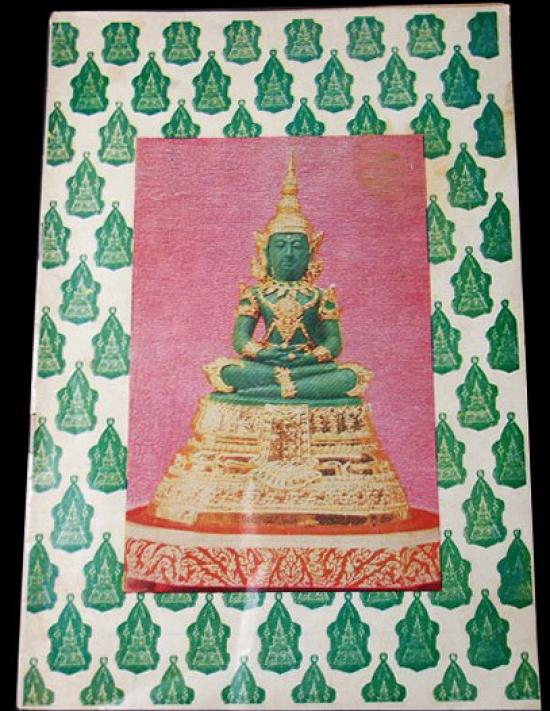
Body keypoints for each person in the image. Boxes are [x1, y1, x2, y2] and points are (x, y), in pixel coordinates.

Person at [204, 150, 371, 403]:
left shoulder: (320, 295)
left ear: (310, 252)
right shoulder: (256, 293)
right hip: (267, 364)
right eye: (281, 246)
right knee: (224, 370)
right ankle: (293, 387)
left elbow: (334, 341)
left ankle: (270, 390)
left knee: (351, 376)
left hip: (308, 366)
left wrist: (311, 357)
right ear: (266, 252)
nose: (289, 254)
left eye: (297, 246)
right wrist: (262, 354)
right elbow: (240, 338)